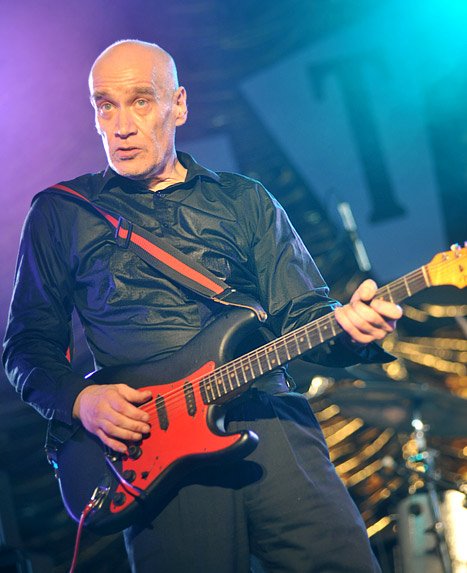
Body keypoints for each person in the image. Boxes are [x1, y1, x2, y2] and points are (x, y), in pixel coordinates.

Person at [3, 40, 402, 572]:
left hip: (268, 418)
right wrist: (82, 401)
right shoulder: (62, 213)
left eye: (140, 101)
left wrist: (350, 328)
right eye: (105, 105)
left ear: (179, 105)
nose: (121, 126)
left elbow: (303, 315)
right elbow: (26, 346)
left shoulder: (245, 199)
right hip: (153, 449)